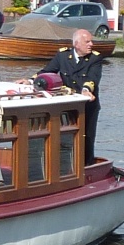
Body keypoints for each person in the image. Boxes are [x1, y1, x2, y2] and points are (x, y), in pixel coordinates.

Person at [19, 28, 105, 166]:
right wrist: (29, 81)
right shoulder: (63, 56)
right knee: (65, 136)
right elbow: (47, 71)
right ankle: (66, 164)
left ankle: (86, 167)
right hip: (67, 106)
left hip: (87, 107)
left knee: (86, 137)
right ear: (76, 44)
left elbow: (92, 79)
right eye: (87, 41)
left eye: (91, 41)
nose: (91, 44)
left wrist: (86, 90)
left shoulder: (95, 58)